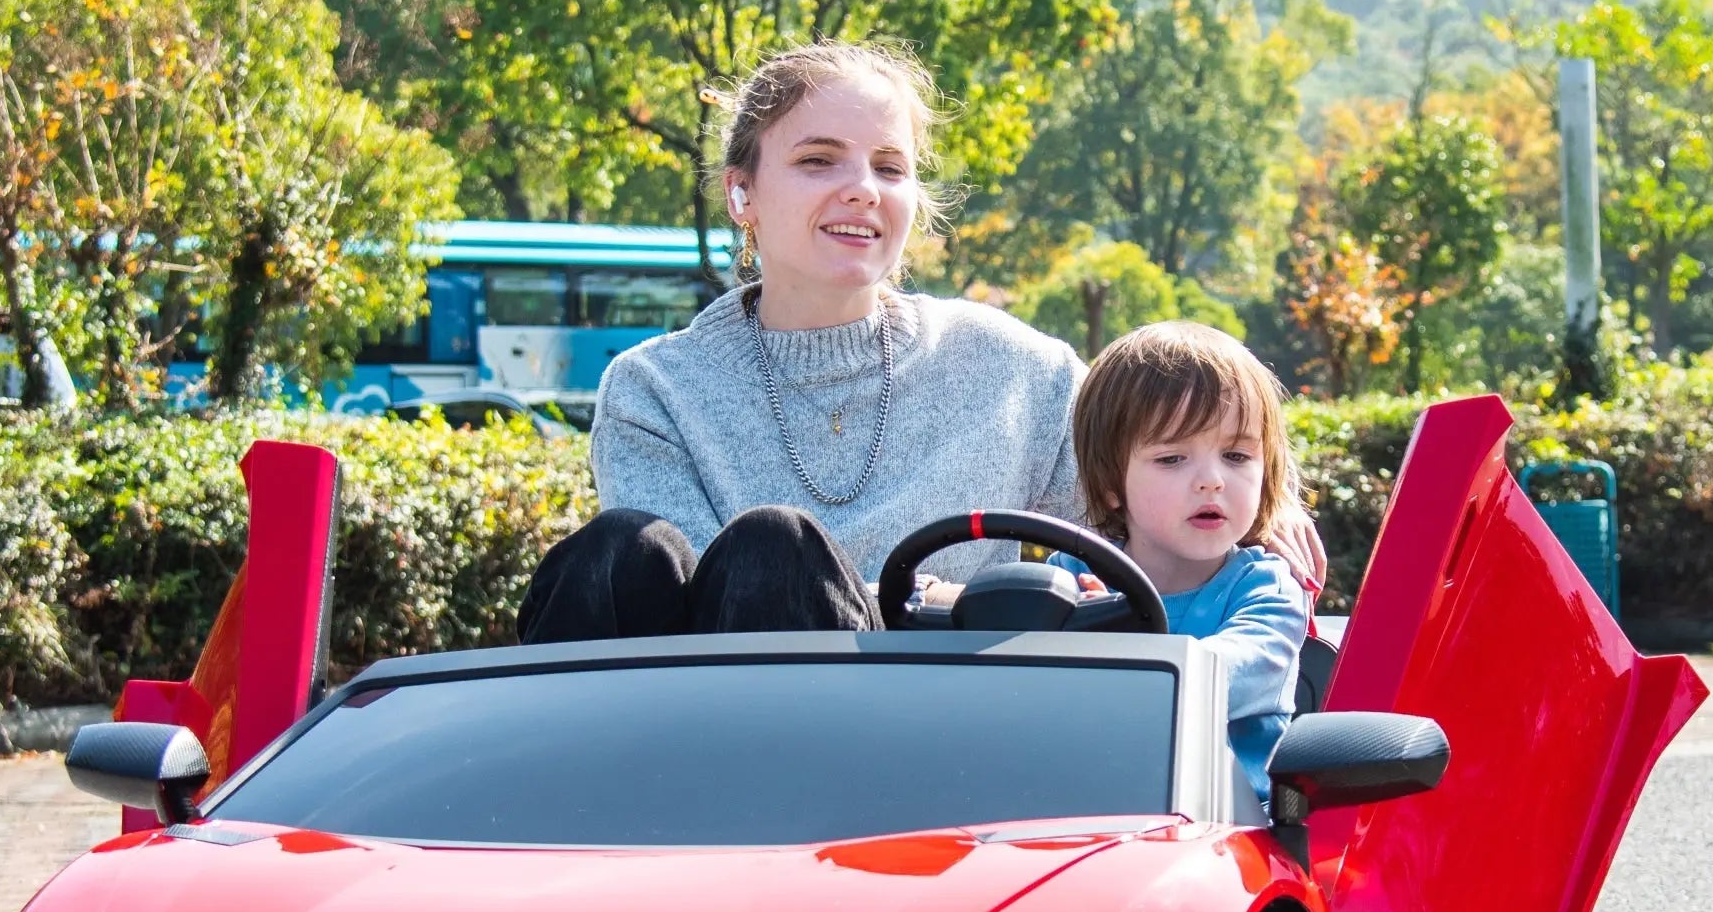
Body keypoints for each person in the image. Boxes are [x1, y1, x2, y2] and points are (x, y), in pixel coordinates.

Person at [518, 39, 1323, 639]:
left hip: (943, 747)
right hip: (704, 737)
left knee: (775, 543)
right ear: (741, 194)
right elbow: (704, 613)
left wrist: (1267, 509)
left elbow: (1151, 484)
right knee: (648, 551)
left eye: (890, 167)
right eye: (818, 160)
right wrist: (929, 597)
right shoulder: (655, 391)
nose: (862, 191)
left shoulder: (1018, 370)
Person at [1067, 321, 1312, 802]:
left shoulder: (1268, 591)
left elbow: (1224, 676)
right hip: (1086, 817)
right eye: (1172, 458)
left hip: (1227, 827)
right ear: (1111, 484)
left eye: (1236, 456)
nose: (1211, 480)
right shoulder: (1071, 576)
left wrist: (1109, 648)